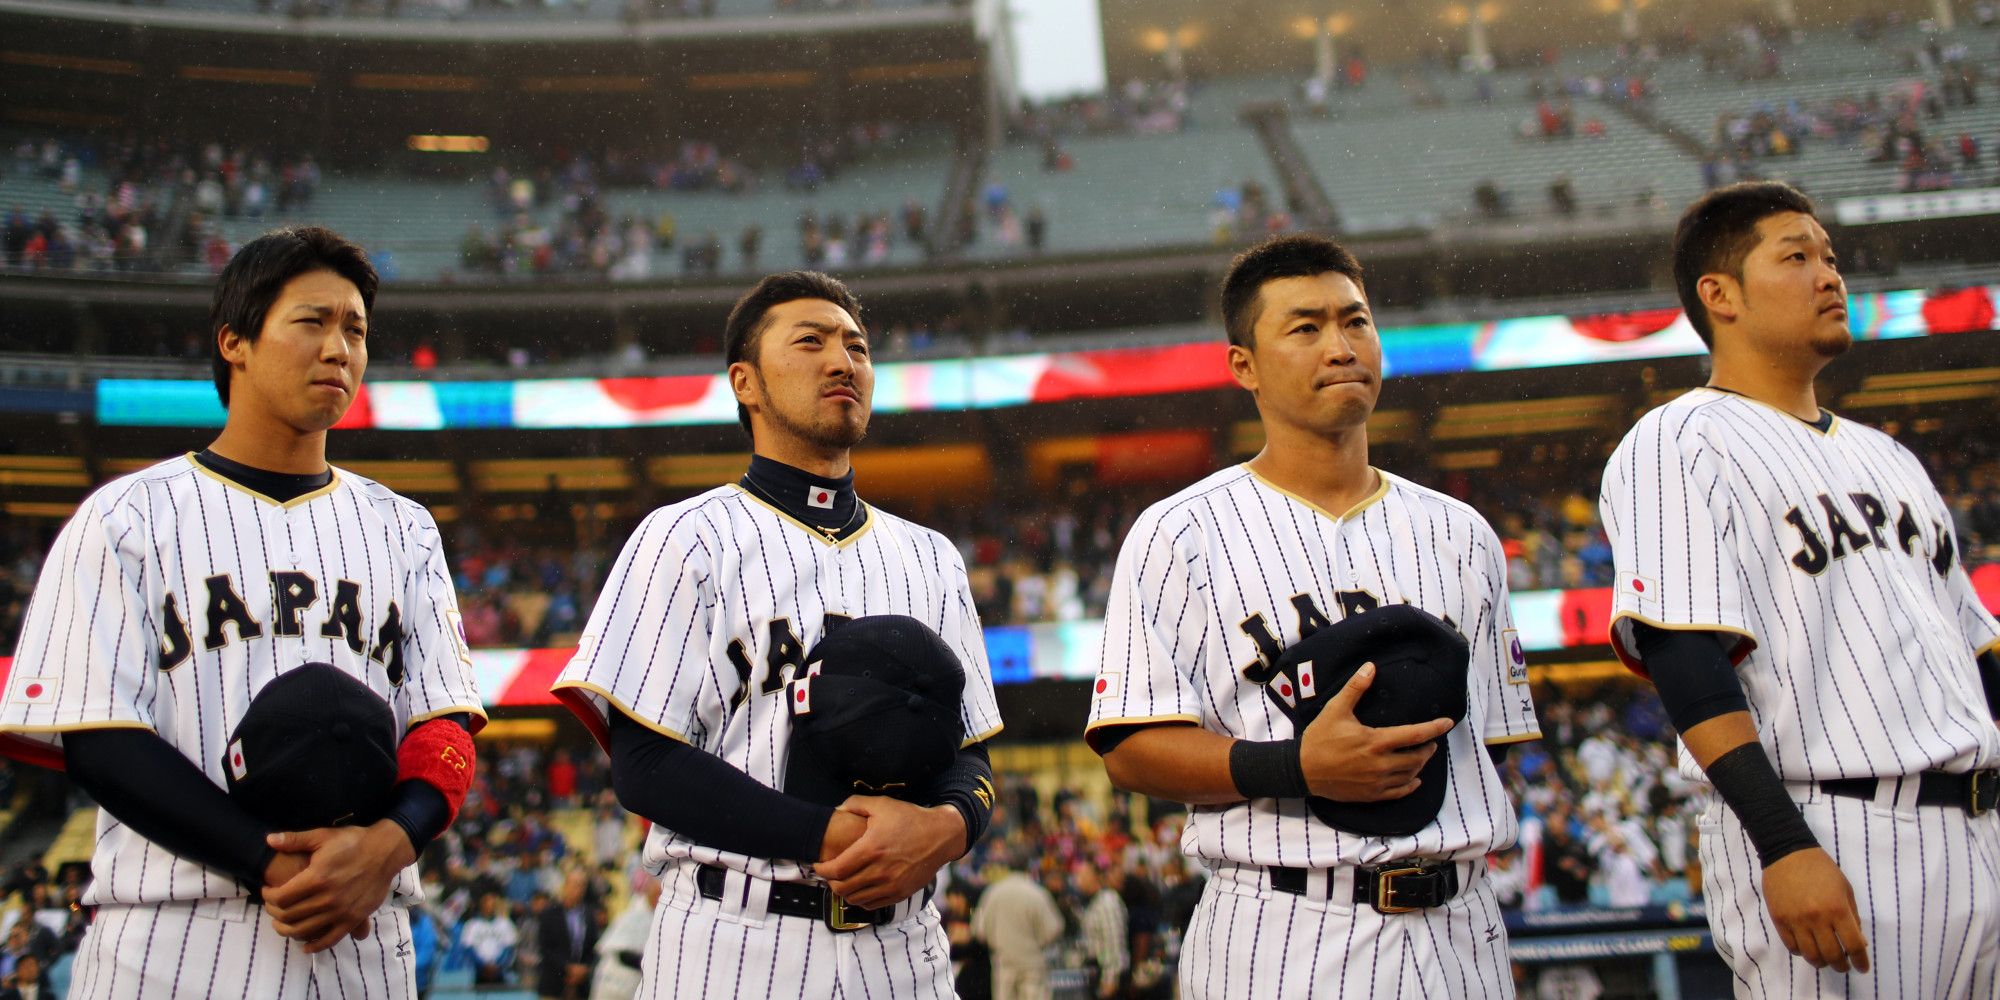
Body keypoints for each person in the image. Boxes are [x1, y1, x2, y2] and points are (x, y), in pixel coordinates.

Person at [0, 226, 486, 998]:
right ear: (235, 341)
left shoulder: (403, 525)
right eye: (312, 322)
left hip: (361, 935)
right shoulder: (126, 516)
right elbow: (98, 737)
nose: (339, 348)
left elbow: (444, 726)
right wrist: (266, 859)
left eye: (355, 329)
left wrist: (390, 844)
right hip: (174, 934)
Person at [1086, 234, 1541, 999]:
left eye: (1356, 321)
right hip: (1283, 923)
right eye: (1305, 328)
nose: (1341, 346)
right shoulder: (1180, 533)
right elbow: (1131, 749)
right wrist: (1295, 767)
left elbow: (1493, 742)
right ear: (1245, 366)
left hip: (1463, 926)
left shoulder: (1462, 532)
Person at [552, 270, 1004, 999]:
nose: (842, 361)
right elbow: (643, 765)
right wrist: (826, 837)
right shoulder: (684, 538)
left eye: (857, 347)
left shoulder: (931, 555)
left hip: (908, 951)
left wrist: (950, 827)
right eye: (811, 342)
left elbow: (972, 750)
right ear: (746, 383)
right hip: (733, 940)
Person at [1601, 180, 2000, 995]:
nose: (1829, 276)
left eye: (1830, 257)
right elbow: (1685, 658)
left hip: (1979, 824)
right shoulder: (1679, 440)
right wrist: (1783, 844)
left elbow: (1978, 653)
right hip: (1836, 827)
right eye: (1796, 257)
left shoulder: (1889, 457)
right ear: (1720, 295)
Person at [971, 863, 1064, 1000]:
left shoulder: (993, 892)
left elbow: (979, 930)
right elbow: (1054, 929)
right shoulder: (1037, 893)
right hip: (1032, 966)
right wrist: (1038, 944)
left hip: (1004, 965)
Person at [589, 875, 660, 1000]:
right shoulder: (633, 914)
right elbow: (623, 953)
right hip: (614, 981)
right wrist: (649, 964)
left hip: (632, 986)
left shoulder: (657, 918)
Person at [536, 869, 600, 1000]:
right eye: (576, 884)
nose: (579, 889)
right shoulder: (550, 913)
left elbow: (593, 946)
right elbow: (545, 948)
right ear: (565, 886)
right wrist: (567, 968)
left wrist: (584, 969)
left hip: (580, 987)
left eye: (582, 885)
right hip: (554, 986)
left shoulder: (588, 914)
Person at [1077, 863, 1128, 999]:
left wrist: (1110, 978)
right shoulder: (1094, 902)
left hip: (1106, 975)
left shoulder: (1107, 902)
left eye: (1082, 876)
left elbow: (1114, 942)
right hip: (1096, 972)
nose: (1078, 880)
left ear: (1095, 877)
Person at [458, 892, 519, 985]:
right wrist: (483, 966)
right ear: (482, 906)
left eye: (492, 905)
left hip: (499, 971)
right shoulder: (472, 925)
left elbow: (509, 948)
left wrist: (496, 965)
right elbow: (468, 948)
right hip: (480, 971)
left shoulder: (505, 923)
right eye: (486, 905)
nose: (489, 908)